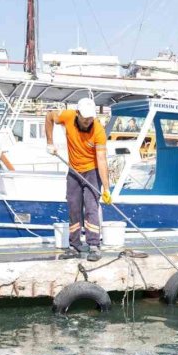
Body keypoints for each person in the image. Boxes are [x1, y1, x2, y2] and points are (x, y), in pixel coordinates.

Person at [46, 97, 111, 261]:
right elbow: (48, 117)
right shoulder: (67, 116)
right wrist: (49, 142)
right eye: (85, 118)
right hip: (74, 170)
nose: (88, 121)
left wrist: (107, 188)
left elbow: (102, 160)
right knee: (74, 207)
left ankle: (94, 245)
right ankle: (75, 246)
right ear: (77, 114)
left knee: (91, 208)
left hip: (92, 171)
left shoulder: (98, 131)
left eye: (91, 118)